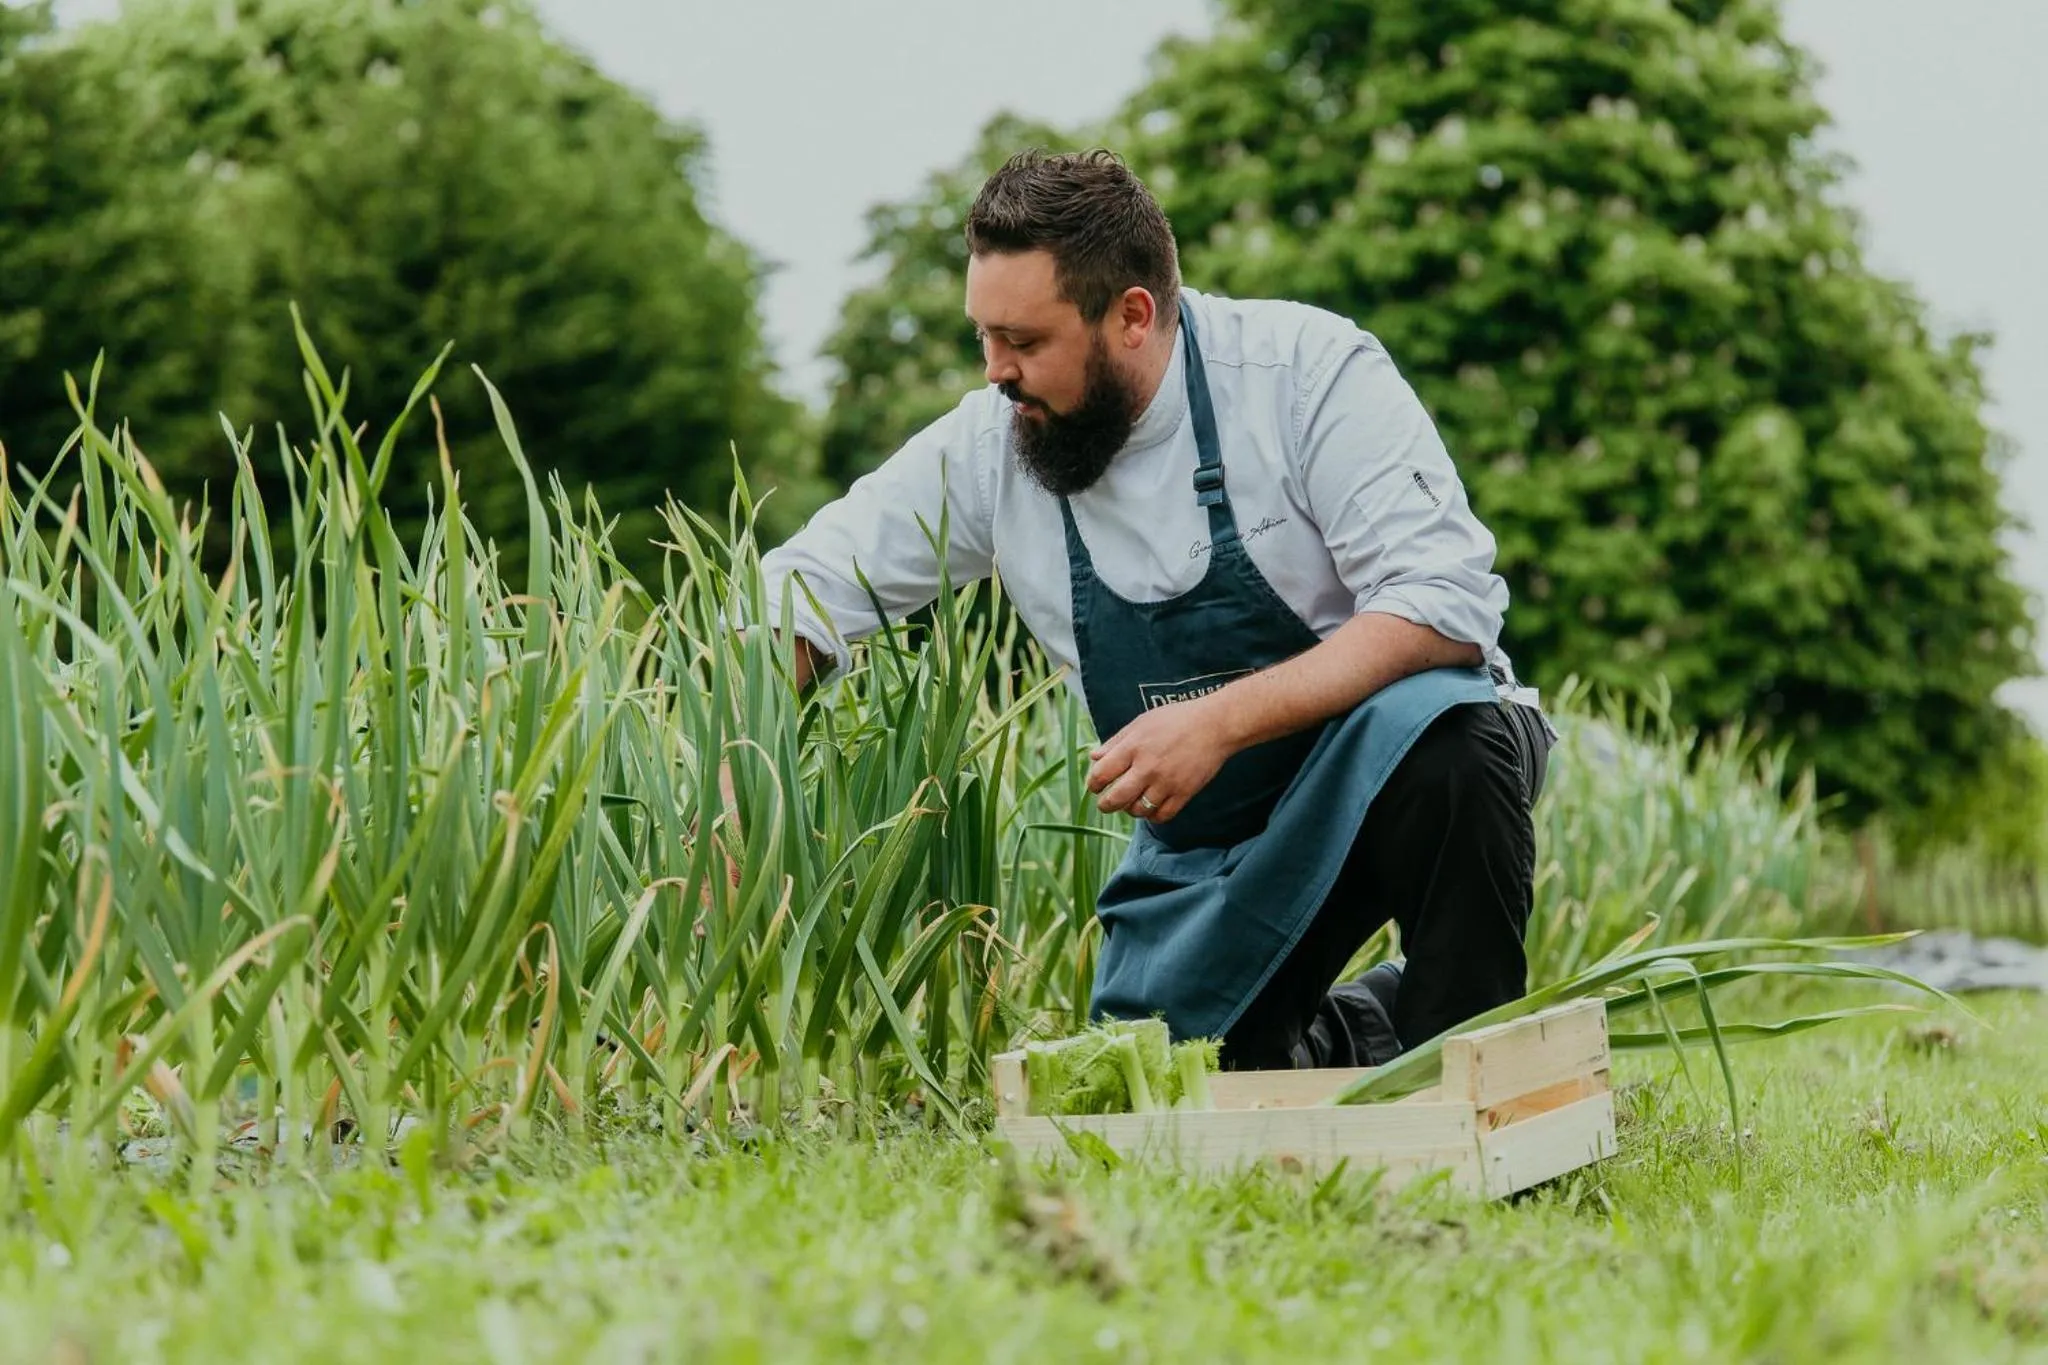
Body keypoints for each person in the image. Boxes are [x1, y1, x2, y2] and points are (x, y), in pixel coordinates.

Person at [756, 148, 1555, 1071]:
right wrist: (737, 770)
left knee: (1454, 736)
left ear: (1132, 316)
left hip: (1385, 777)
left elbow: (1443, 603)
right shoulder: (994, 445)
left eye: (1024, 340)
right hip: (1214, 839)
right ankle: (1374, 1029)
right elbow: (801, 590)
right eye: (983, 335)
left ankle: (1470, 1068)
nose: (994, 371)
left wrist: (1213, 721)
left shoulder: (1303, 373)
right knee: (1167, 1075)